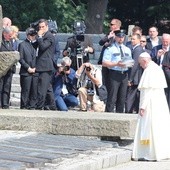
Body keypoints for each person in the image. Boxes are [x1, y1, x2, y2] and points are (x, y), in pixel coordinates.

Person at [132, 52, 170, 161]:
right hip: (160, 104)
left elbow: (146, 91)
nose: (140, 66)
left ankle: (148, 153)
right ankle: (161, 153)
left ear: (144, 61)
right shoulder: (157, 68)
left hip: (151, 104)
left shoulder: (149, 70)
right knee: (159, 128)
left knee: (149, 127)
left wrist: (142, 107)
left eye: (140, 63)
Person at [102, 29, 132, 113]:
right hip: (114, 74)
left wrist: (128, 64)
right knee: (112, 97)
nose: (121, 39)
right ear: (115, 37)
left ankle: (120, 116)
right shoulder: (110, 48)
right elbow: (104, 63)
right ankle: (109, 115)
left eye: (122, 37)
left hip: (124, 74)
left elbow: (130, 61)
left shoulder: (127, 49)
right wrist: (116, 64)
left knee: (122, 98)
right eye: (119, 37)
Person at [35, 19, 55, 110]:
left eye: (43, 27)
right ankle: (52, 105)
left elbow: (43, 47)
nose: (41, 29)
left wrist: (39, 36)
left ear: (47, 27)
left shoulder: (49, 36)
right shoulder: (42, 36)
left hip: (45, 66)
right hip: (41, 65)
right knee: (48, 88)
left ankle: (40, 106)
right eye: (40, 27)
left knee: (42, 88)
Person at [98, 18, 121, 91]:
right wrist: (108, 37)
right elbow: (101, 42)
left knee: (112, 83)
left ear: (116, 25)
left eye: (112, 24)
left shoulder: (121, 35)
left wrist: (114, 39)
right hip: (105, 61)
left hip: (114, 62)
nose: (110, 26)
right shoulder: (109, 33)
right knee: (105, 80)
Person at [18, 27, 38, 110]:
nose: (33, 37)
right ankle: (24, 106)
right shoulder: (22, 45)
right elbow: (21, 58)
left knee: (34, 90)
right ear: (28, 35)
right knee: (25, 90)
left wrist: (35, 68)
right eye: (31, 35)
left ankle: (32, 106)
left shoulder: (36, 45)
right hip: (26, 71)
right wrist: (28, 68)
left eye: (34, 35)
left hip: (35, 70)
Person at [125, 34, 144, 113]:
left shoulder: (138, 49)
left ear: (139, 40)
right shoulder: (135, 49)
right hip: (135, 77)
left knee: (130, 96)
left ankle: (128, 112)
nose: (132, 41)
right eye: (131, 39)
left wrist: (130, 79)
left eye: (134, 39)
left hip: (135, 77)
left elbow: (135, 65)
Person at [0, 26, 15, 109]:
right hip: (2, 68)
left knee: (7, 86)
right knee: (1, 86)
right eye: (9, 35)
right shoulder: (1, 42)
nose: (11, 37)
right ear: (4, 34)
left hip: (10, 68)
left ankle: (5, 103)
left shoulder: (12, 42)